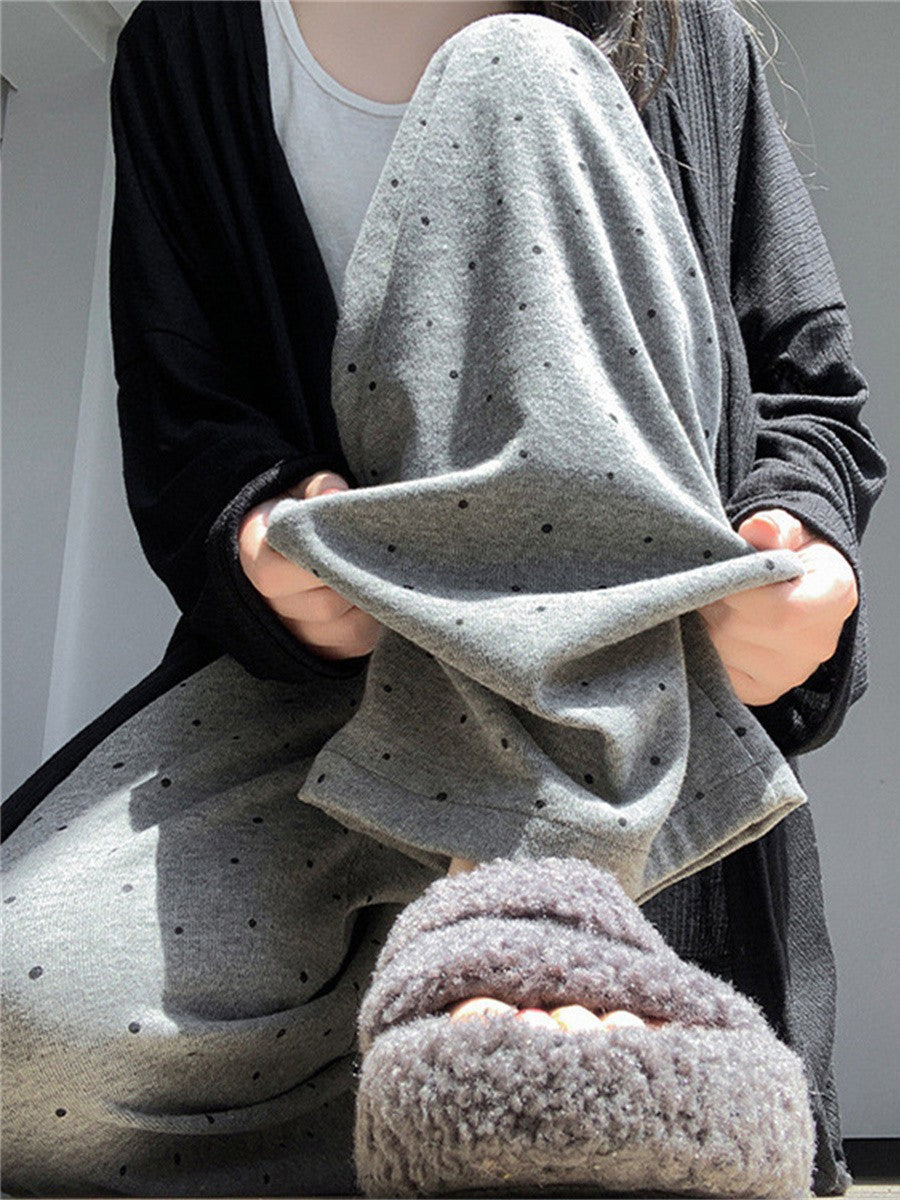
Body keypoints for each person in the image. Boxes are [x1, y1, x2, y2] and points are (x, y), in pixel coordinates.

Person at [0, 1, 887, 1196]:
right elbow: (183, 415)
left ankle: (544, 911)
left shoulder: (687, 33)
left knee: (509, 72)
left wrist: (809, 551)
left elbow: (806, 387)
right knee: (28, 1034)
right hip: (353, 685)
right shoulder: (190, 40)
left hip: (631, 676)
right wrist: (254, 532)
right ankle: (504, 1084)